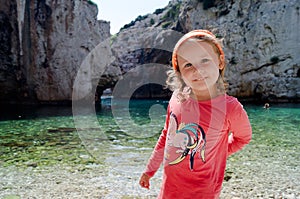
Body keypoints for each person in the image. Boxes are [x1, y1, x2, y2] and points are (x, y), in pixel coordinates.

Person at [139, 30, 252, 198]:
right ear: (180, 73)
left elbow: (243, 138)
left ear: (220, 62)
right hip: (169, 188)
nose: (197, 70)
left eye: (205, 60)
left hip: (203, 191)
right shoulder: (176, 98)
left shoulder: (230, 108)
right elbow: (166, 135)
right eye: (188, 65)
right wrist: (150, 170)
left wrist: (218, 152)